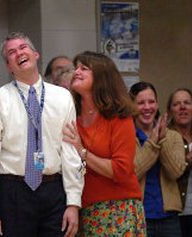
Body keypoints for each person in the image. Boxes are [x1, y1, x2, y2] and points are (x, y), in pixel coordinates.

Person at [0, 32, 83, 237]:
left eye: (23, 48)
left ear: (36, 54)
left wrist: (73, 202)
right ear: (8, 66)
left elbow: (70, 152)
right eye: (12, 52)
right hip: (13, 191)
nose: (19, 53)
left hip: (53, 189)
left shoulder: (62, 97)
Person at [63, 51, 146, 236]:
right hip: (83, 208)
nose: (76, 71)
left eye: (84, 68)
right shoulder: (70, 116)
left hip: (118, 208)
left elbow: (121, 170)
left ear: (102, 77)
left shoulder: (119, 117)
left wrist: (81, 151)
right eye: (76, 67)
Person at [130, 82, 186, 237]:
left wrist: (161, 140)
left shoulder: (173, 136)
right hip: (137, 216)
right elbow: (131, 174)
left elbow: (175, 172)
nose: (147, 107)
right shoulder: (126, 135)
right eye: (141, 103)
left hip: (168, 218)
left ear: (157, 103)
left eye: (151, 101)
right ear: (132, 106)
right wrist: (153, 143)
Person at [167, 88, 192, 237]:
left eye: (187, 103)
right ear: (169, 110)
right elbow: (172, 173)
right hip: (176, 213)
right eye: (177, 104)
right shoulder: (164, 137)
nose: (182, 107)